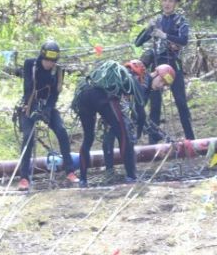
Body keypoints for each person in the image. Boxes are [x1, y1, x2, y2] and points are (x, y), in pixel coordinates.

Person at [75, 61, 175, 187]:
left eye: (165, 84)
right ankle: (131, 177)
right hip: (102, 97)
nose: (161, 86)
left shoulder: (122, 77)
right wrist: (138, 133)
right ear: (155, 74)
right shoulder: (136, 83)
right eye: (161, 81)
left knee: (88, 138)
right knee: (123, 136)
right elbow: (141, 115)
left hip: (84, 95)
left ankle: (83, 180)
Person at [135, 0, 195, 142]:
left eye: (171, 1)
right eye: (165, 0)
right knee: (154, 105)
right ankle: (153, 141)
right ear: (161, 2)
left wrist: (164, 35)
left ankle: (191, 138)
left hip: (174, 64)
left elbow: (184, 40)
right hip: (157, 66)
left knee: (181, 102)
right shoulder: (157, 20)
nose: (167, 4)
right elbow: (138, 42)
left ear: (176, 3)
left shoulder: (180, 21)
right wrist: (148, 29)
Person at [17, 39, 77, 191]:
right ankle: (24, 177)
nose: (49, 64)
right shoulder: (30, 65)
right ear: (42, 57)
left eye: (52, 62)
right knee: (28, 137)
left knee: (62, 131)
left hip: (47, 106)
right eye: (47, 61)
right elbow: (28, 88)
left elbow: (55, 94)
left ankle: (70, 171)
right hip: (29, 105)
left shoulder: (58, 70)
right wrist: (34, 109)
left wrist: (47, 109)